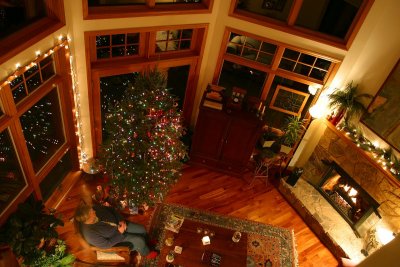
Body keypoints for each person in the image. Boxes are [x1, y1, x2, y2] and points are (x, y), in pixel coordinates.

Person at [74, 203, 157, 259]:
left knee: (142, 229)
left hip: (120, 224)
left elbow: (111, 210)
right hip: (116, 240)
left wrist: (121, 220)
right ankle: (146, 253)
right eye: (92, 212)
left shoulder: (95, 208)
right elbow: (107, 244)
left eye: (92, 210)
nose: (94, 211)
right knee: (139, 241)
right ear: (88, 219)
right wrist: (120, 233)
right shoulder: (90, 235)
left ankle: (147, 243)